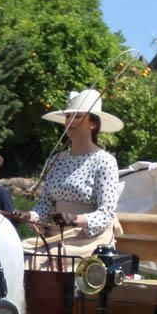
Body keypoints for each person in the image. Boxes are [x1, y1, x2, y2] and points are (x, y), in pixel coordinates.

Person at [21, 89, 125, 269]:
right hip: (56, 235)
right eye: (68, 117)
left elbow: (106, 214)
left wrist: (74, 218)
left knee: (37, 261)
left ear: (92, 123)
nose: (69, 122)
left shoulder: (105, 161)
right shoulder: (56, 160)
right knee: (16, 252)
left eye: (76, 117)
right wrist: (30, 216)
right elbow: (45, 204)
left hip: (87, 239)